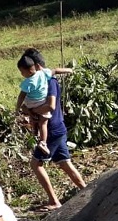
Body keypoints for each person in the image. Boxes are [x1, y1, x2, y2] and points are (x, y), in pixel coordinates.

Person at [21, 48, 86, 211]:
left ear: (36, 66)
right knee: (65, 163)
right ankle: (87, 191)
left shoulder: (49, 82)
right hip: (58, 128)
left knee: (36, 164)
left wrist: (32, 111)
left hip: (52, 130)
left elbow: (50, 105)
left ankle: (54, 201)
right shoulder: (42, 81)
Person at [15, 56, 73, 156]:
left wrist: (17, 108)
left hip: (30, 103)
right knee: (43, 123)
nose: (22, 74)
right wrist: (69, 70)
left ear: (28, 71)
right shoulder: (43, 73)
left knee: (35, 120)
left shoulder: (28, 82)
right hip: (42, 103)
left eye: (22, 72)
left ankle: (37, 137)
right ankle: (42, 141)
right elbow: (55, 70)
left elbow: (21, 96)